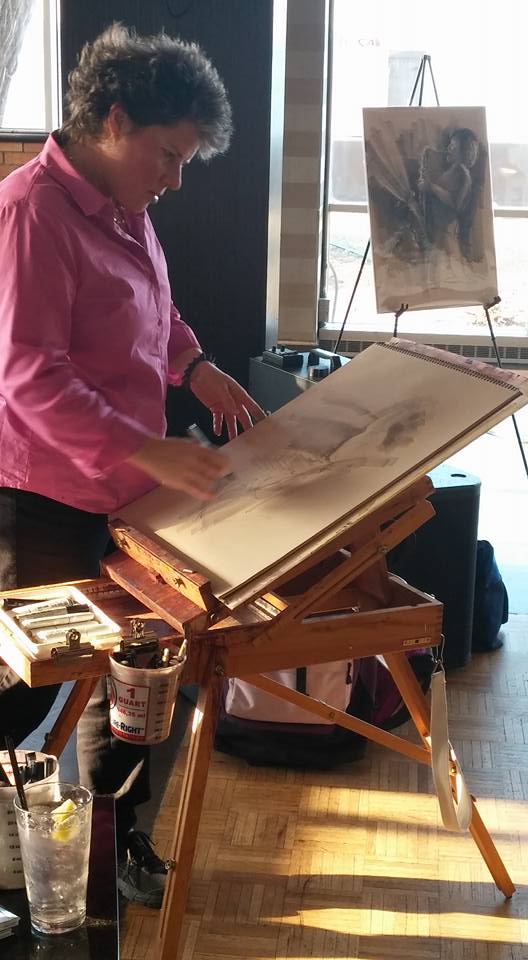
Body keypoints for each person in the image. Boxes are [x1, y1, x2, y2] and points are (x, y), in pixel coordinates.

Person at [0, 22, 264, 906]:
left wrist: (196, 366)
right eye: (169, 155)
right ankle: (15, 861)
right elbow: (30, 377)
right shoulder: (31, 214)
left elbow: (156, 313)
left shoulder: (127, 209)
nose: (176, 179)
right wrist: (148, 448)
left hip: (126, 496)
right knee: (20, 690)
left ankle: (116, 844)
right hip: (39, 498)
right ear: (114, 120)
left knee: (140, 676)